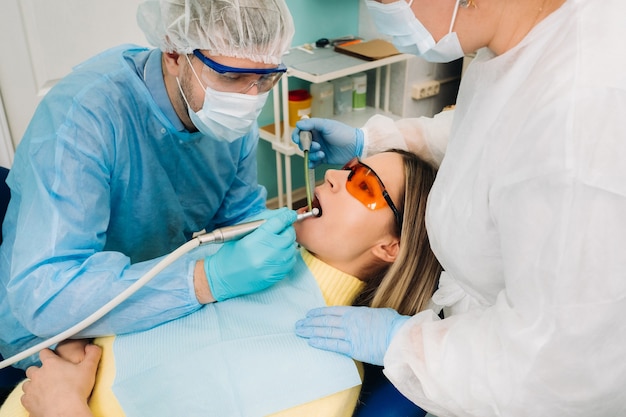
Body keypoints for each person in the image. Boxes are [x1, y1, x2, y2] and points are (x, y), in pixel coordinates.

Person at [293, 0, 626, 416]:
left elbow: (557, 367)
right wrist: (374, 142)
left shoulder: (583, 115)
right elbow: (488, 135)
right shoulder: (517, 45)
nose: (332, 177)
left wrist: (403, 344)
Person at [2, 150, 441, 417]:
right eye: (349, 168)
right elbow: (125, 318)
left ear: (391, 247)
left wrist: (63, 408)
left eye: (364, 184)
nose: (332, 177)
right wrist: (84, 342)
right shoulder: (245, 261)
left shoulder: (326, 383)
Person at [0, 0, 297, 371]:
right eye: (230, 77)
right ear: (174, 52)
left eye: (266, 78)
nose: (250, 99)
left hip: (161, 302)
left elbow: (235, 217)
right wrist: (204, 280)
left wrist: (268, 232)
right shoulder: (85, 118)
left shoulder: (231, 123)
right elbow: (44, 295)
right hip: (55, 331)